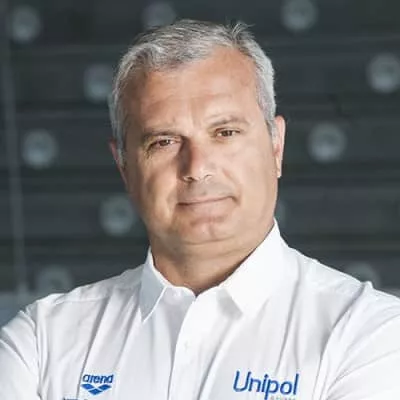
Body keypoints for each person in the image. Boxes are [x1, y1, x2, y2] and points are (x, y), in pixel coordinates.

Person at [1, 19, 400, 400]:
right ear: (124, 166)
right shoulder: (42, 341)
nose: (197, 167)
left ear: (276, 145)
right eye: (164, 141)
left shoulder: (370, 334)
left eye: (225, 132)